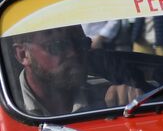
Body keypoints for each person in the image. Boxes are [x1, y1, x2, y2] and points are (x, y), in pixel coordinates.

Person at [7, 25, 141, 115]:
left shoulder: (107, 94)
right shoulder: (8, 110)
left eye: (81, 43)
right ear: (23, 55)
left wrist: (130, 100)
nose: (73, 53)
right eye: (57, 46)